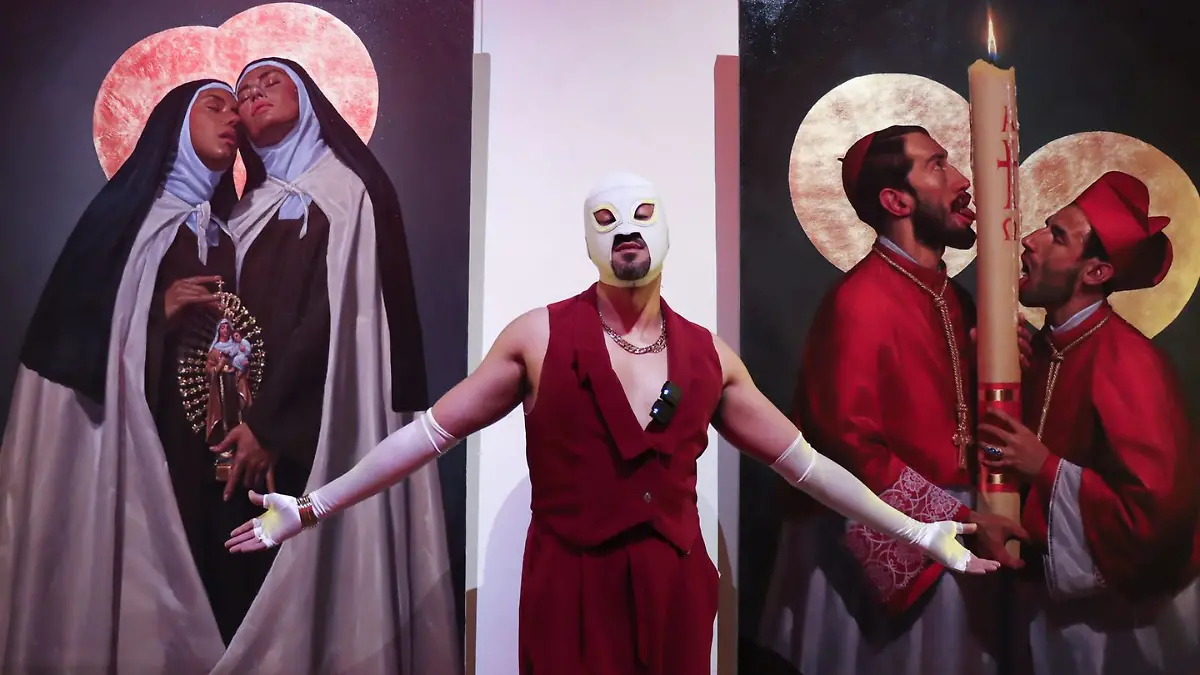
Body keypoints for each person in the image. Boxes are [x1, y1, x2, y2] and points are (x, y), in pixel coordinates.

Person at [225, 171, 999, 675]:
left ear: (664, 231)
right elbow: (429, 432)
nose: (626, 229)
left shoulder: (710, 356)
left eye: (641, 216)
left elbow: (805, 463)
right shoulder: (536, 337)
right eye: (607, 219)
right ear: (590, 237)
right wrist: (312, 505)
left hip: (675, 584)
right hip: (568, 583)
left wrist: (915, 530)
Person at [209, 57, 459, 675]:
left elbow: (334, 319)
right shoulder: (241, 211)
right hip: (243, 427)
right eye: (243, 90)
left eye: (271, 81)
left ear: (308, 94)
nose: (254, 92)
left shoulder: (348, 192)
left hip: (324, 422)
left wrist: (269, 424)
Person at [758, 126, 1031, 675]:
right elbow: (847, 445)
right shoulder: (858, 302)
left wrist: (1002, 366)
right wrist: (959, 518)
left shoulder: (954, 297)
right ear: (896, 201)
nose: (962, 181)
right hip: (880, 538)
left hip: (960, 533)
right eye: (938, 166)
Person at [0, 80, 242, 672]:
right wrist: (159, 310)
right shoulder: (130, 218)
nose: (232, 118)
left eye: (237, 110)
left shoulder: (227, 232)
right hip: (132, 436)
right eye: (214, 106)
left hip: (204, 436)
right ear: (175, 126)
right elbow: (74, 332)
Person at [979, 170, 1200, 674]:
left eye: (1056, 236)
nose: (1030, 240)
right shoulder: (1046, 348)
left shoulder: (1128, 362)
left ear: (1096, 272)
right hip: (1049, 610)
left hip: (1125, 628)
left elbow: (1155, 516)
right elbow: (1001, 449)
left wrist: (1045, 467)